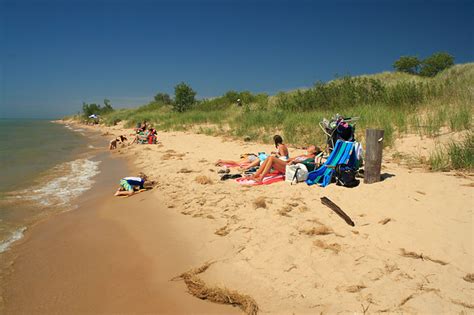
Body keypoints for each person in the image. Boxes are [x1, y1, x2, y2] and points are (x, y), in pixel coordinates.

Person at [248, 145, 322, 182]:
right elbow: (290, 159)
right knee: (269, 158)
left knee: (271, 158)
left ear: (314, 151)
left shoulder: (313, 158)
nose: (309, 147)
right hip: (290, 166)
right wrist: (282, 159)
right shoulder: (303, 155)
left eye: (311, 147)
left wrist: (294, 161)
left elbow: (310, 165)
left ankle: (260, 178)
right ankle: (256, 175)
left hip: (296, 170)